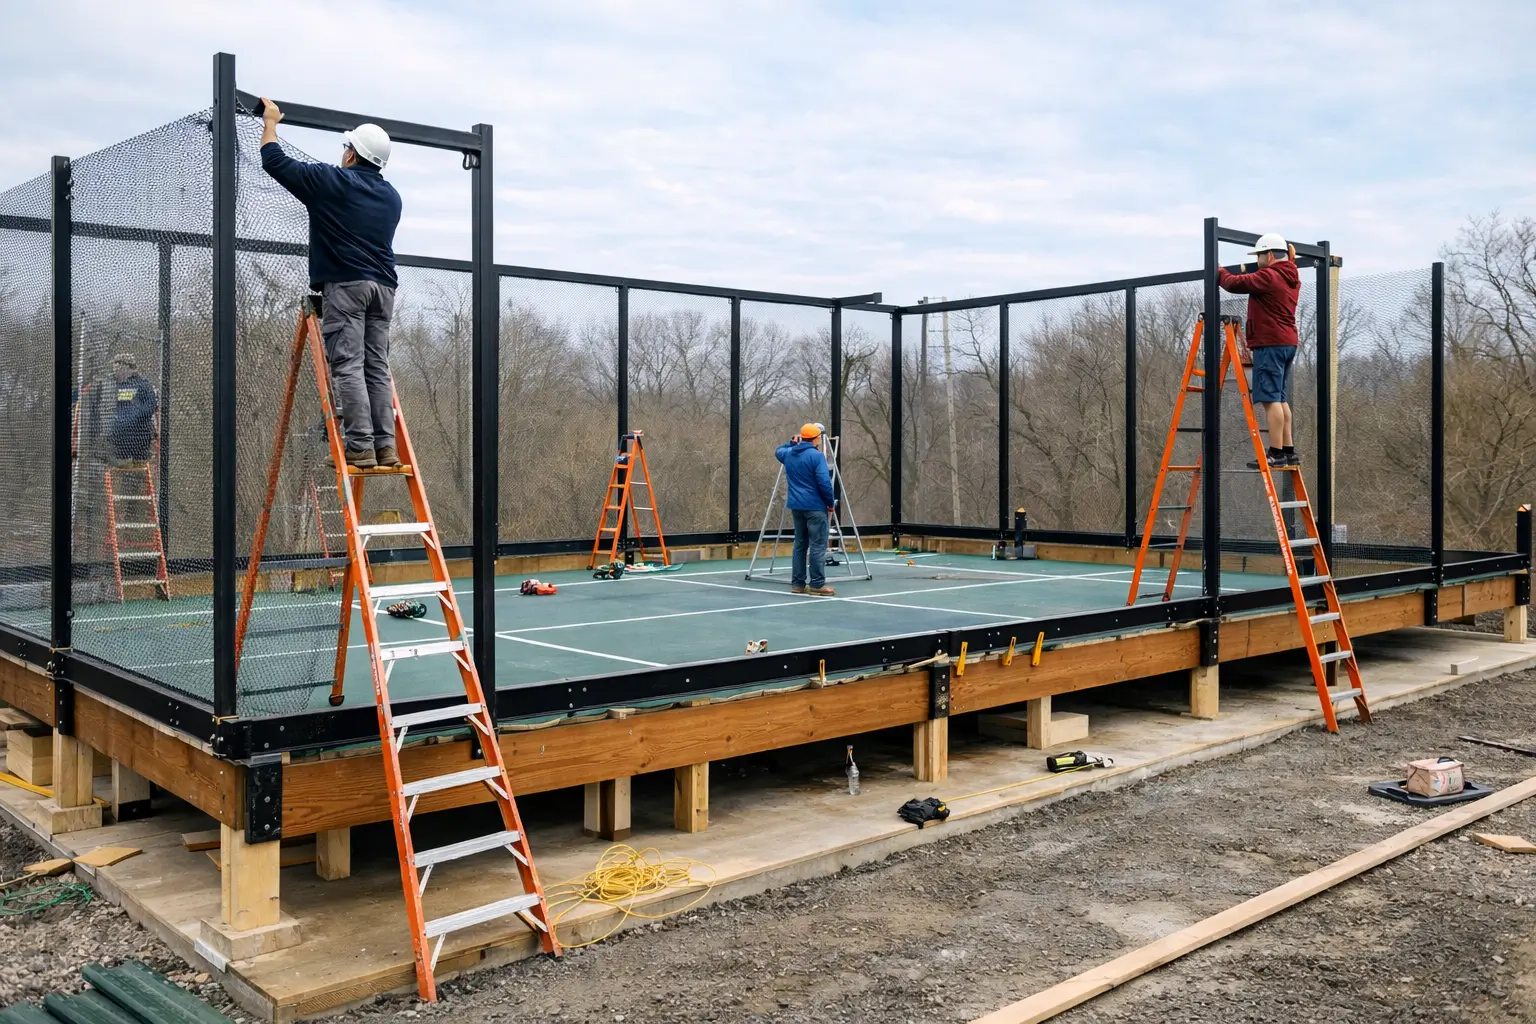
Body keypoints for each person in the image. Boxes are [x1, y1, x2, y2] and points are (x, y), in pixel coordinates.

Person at [258, 97, 404, 470]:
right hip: (383, 290)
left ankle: (359, 447)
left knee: (349, 366)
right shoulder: (392, 198)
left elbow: (274, 161)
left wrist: (271, 123)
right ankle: (385, 446)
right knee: (376, 366)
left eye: (346, 148)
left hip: (347, 287)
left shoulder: (332, 182)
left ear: (353, 155)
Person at [1219, 233, 1301, 468]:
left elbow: (1235, 284)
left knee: (1269, 399)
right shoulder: (1291, 275)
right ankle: (1288, 450)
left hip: (1270, 343)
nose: (1258, 261)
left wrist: (1220, 272)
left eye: (1260, 255)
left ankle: (1275, 453)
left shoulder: (1269, 276)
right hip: (1287, 343)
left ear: (1270, 255)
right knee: (1280, 398)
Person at [775, 423, 838, 596]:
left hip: (797, 506)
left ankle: (798, 584)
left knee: (800, 545)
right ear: (817, 438)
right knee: (818, 546)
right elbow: (824, 483)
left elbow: (778, 450)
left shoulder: (789, 454)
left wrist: (791, 443)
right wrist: (830, 503)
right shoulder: (817, 457)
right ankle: (817, 585)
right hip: (815, 507)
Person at [104, 353, 158, 468]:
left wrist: (133, 419)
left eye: (117, 368)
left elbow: (150, 405)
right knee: (123, 467)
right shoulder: (113, 385)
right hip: (119, 437)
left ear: (126, 367)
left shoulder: (141, 384)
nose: (115, 371)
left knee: (138, 468)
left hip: (139, 434)